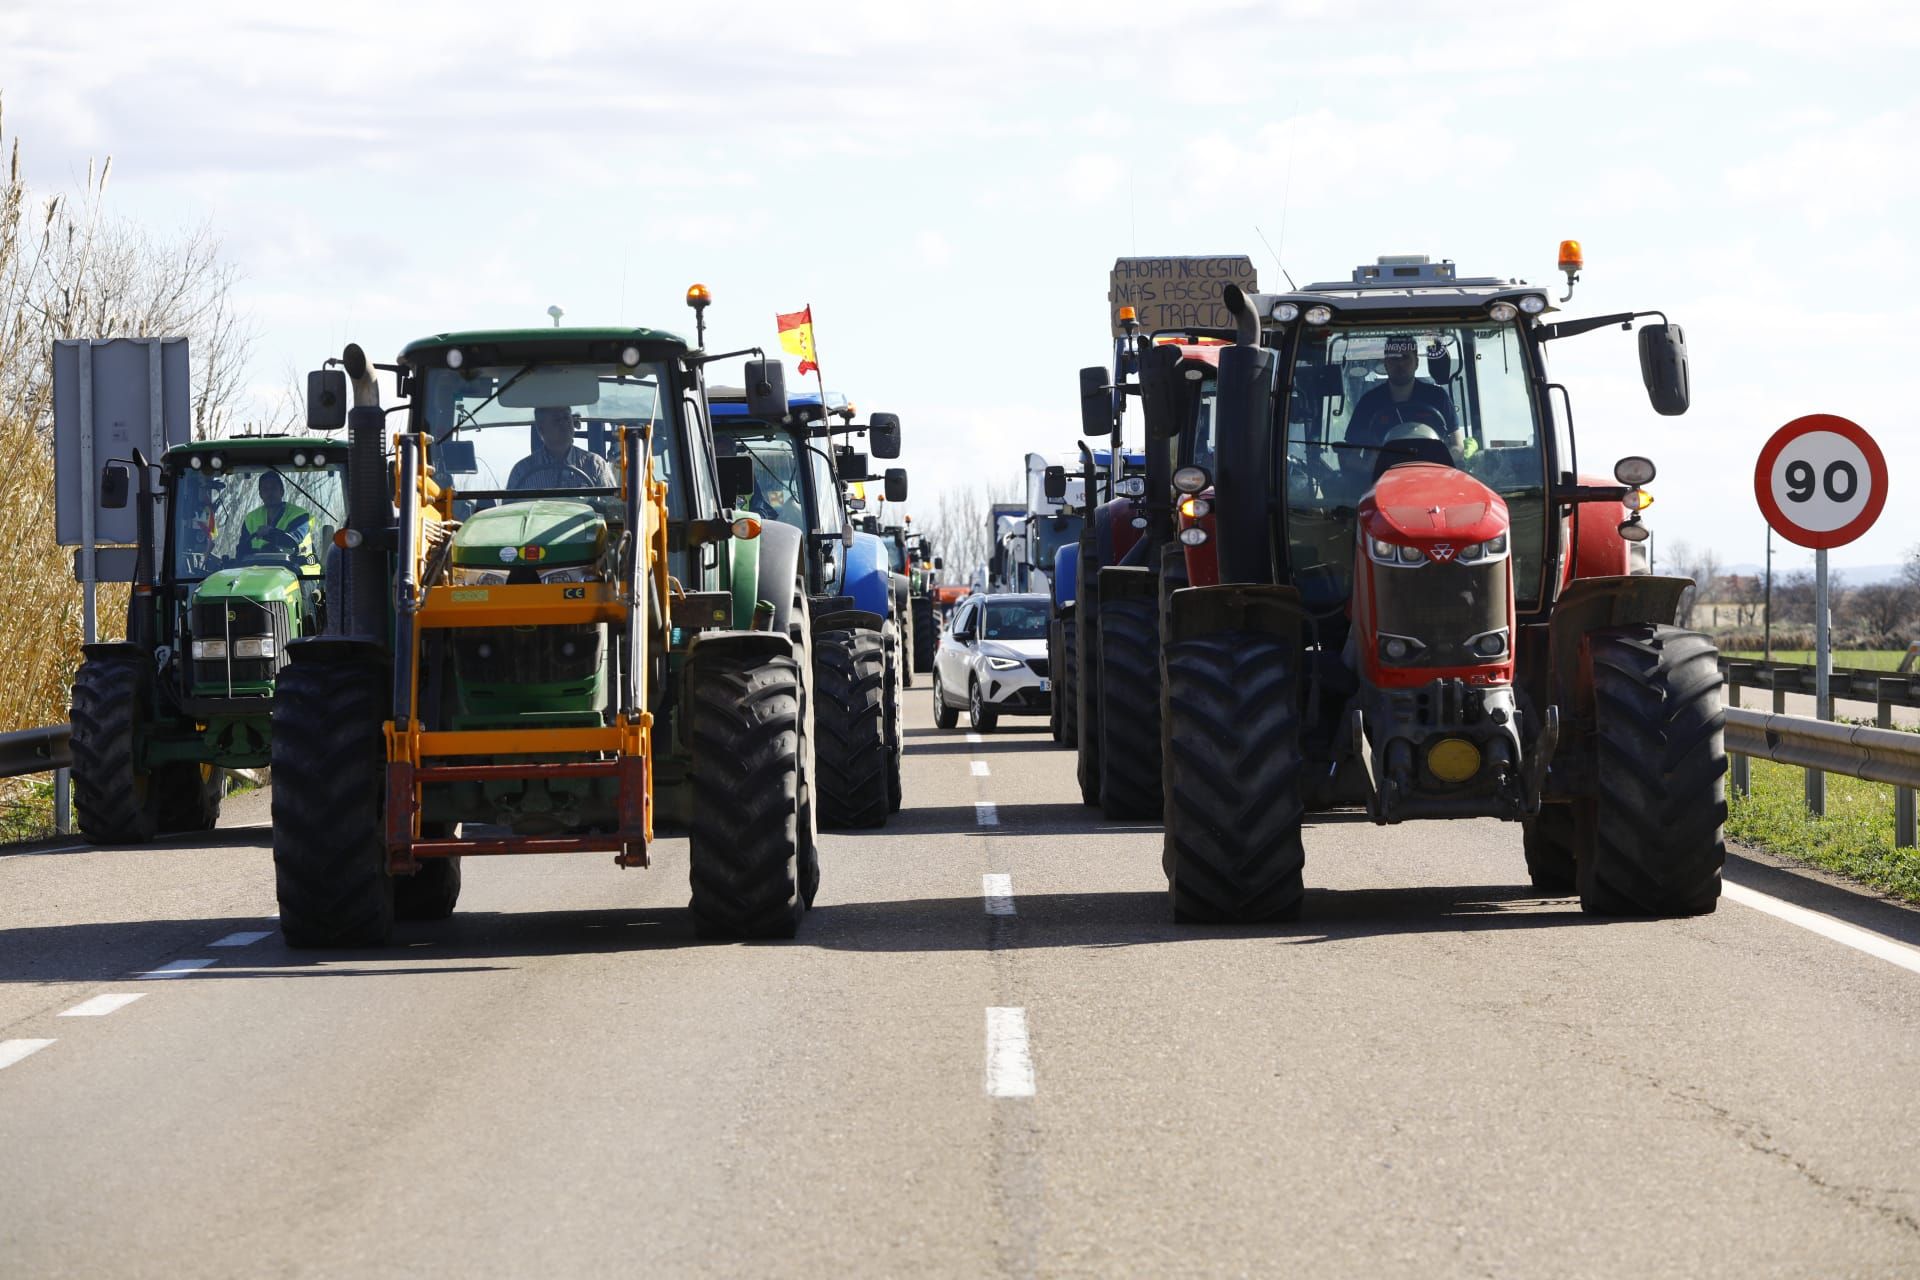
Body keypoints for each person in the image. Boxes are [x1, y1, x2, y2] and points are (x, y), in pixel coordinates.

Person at [1345, 334, 1460, 450]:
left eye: (1405, 357)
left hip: (1431, 466)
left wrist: (1443, 460)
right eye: (1394, 358)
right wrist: (1368, 466)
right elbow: (1350, 453)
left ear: (1416, 362)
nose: (1400, 364)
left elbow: (1457, 446)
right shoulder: (1368, 403)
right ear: (1385, 363)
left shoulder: (1438, 398)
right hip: (1382, 467)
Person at [508, 406, 615, 490]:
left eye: (566, 417)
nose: (564, 423)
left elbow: (612, 509)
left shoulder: (595, 465)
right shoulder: (521, 472)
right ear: (541, 429)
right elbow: (509, 513)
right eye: (556, 420)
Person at [239, 471, 315, 567]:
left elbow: (292, 542)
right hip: (262, 571)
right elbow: (242, 552)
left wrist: (270, 533)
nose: (270, 493)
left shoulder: (300, 516)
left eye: (274, 488)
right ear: (260, 494)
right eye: (265, 489)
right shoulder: (250, 519)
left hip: (301, 571)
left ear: (282, 491)